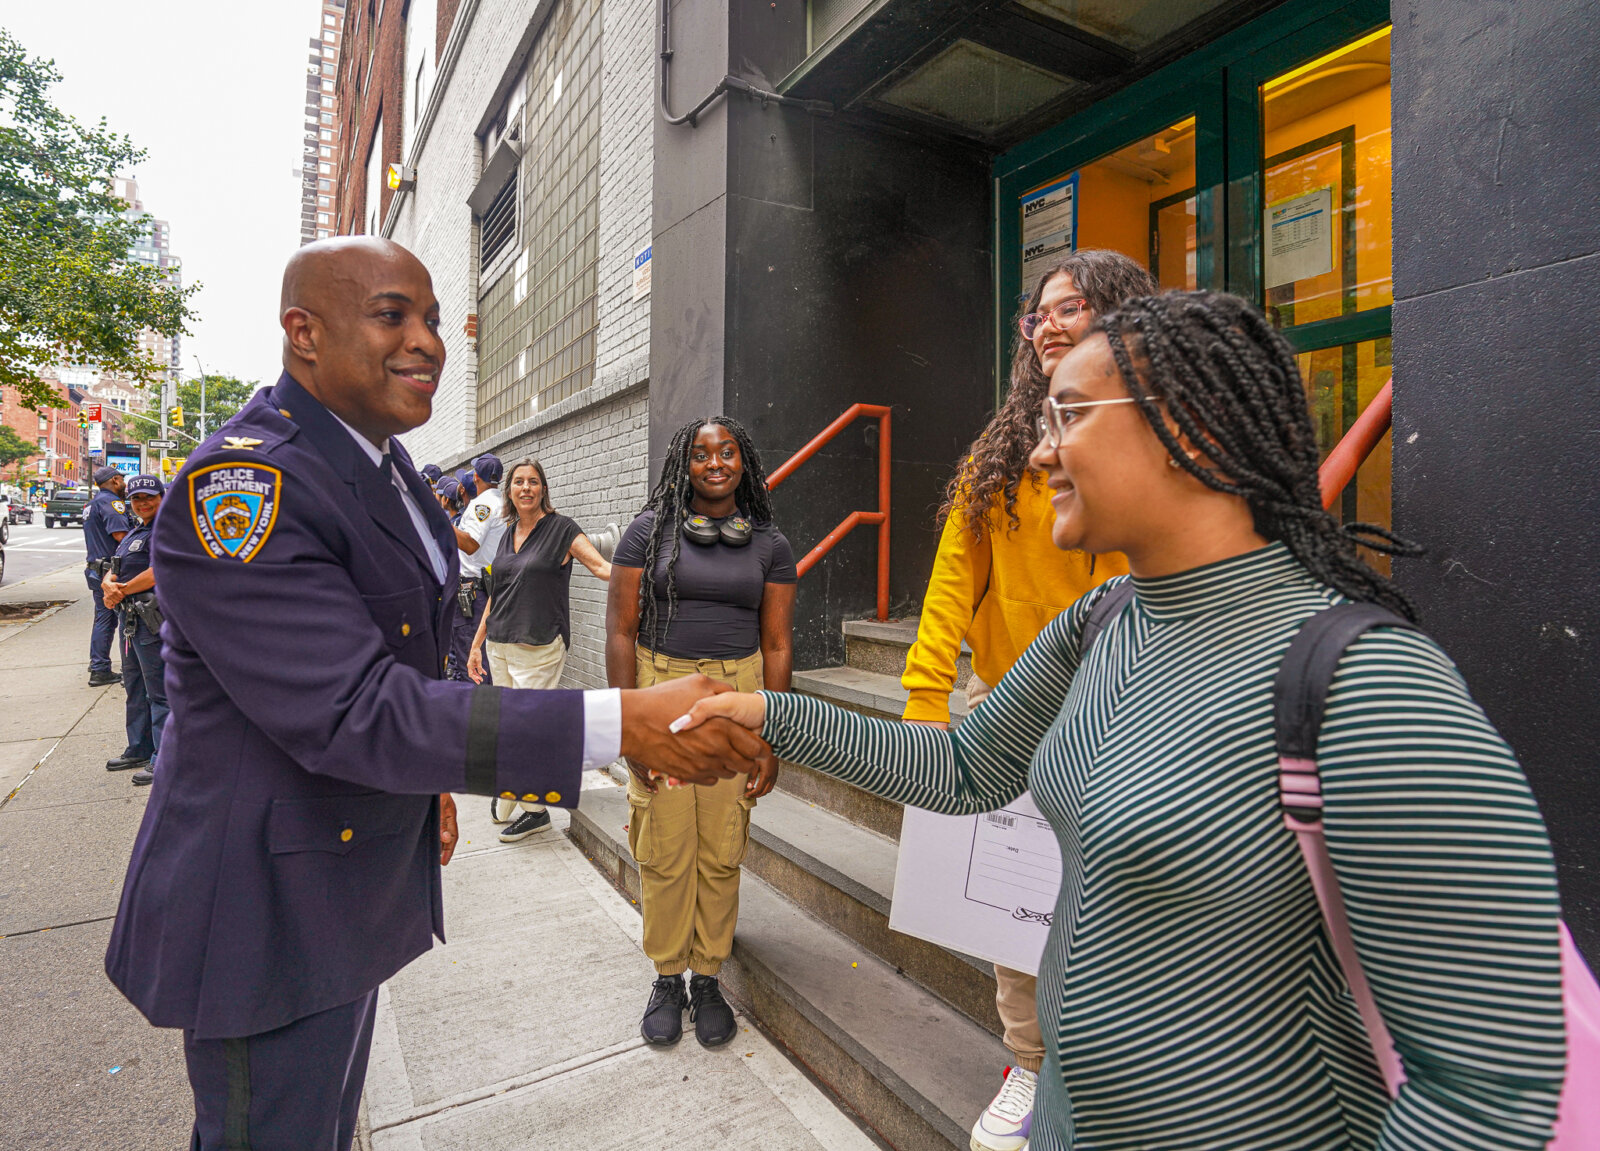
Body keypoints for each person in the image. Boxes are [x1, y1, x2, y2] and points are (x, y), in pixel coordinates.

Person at [679, 291, 1566, 1150]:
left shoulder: (1371, 686)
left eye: (1069, 416)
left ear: (1188, 432)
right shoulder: (1102, 618)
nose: (1038, 454)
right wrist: (770, 714)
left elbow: (1489, 1089)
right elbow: (964, 769)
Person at [103, 237, 771, 1151]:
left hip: (337, 885)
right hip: (264, 909)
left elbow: (410, 649)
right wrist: (621, 725)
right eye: (391, 316)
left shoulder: (377, 468)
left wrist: (425, 792)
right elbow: (353, 706)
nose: (427, 342)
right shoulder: (246, 487)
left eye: (432, 319)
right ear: (304, 332)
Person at [901, 250, 1153, 1151]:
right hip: (1013, 711)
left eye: (1071, 306)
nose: (1047, 323)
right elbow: (947, 593)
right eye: (1036, 315)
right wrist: (925, 714)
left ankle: (1112, 1073)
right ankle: (1031, 1069)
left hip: (1132, 709)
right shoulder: (1001, 452)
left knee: (1122, 900)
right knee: (1019, 913)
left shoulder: (1166, 437)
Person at [606, 416, 795, 1049]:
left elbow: (776, 641)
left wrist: (775, 729)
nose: (715, 463)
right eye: (700, 454)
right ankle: (667, 975)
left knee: (721, 844)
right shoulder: (644, 534)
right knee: (664, 845)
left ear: (746, 462)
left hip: (738, 697)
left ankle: (707, 974)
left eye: (728, 452)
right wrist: (627, 726)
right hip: (661, 691)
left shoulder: (771, 545)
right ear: (682, 465)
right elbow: (619, 632)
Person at [468, 458, 613, 842]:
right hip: (499, 644)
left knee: (526, 730)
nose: (526, 488)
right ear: (509, 490)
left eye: (533, 482)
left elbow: (601, 568)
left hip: (539, 646)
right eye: (519, 482)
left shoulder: (562, 529)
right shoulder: (507, 532)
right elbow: (497, 593)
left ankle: (535, 811)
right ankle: (511, 792)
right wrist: (477, 643)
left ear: (543, 489)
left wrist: (651, 579)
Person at [101, 475, 169, 786]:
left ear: (162, 496)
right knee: (135, 687)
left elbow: (160, 570)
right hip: (129, 620)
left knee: (160, 693)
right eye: (137, 498)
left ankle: (164, 757)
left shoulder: (167, 528)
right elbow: (115, 566)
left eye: (149, 497)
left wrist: (122, 589)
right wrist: (108, 585)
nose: (143, 503)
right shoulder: (136, 529)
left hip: (151, 620)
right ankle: (140, 748)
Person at [449, 454, 506, 682]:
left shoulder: (482, 504)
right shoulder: (503, 502)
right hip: (489, 590)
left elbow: (471, 544)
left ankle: (472, 715)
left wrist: (441, 524)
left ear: (476, 477)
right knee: (485, 663)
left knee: (471, 666)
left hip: (474, 593)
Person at [83, 465, 132, 689]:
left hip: (95, 567)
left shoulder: (92, 504)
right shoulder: (112, 503)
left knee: (104, 619)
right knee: (123, 620)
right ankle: (123, 668)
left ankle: (98, 666)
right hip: (110, 571)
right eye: (122, 480)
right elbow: (122, 537)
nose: (124, 484)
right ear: (114, 481)